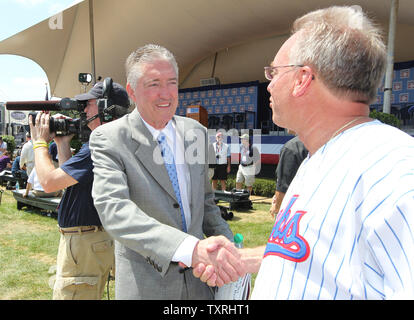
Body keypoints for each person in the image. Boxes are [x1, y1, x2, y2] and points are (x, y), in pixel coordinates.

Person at [194, 5, 414, 300]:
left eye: (274, 71)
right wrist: (247, 259)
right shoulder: (318, 156)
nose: (269, 84)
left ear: (302, 79)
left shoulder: (394, 171)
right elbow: (314, 253)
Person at [89, 44, 244, 300]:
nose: (166, 94)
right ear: (132, 91)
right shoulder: (109, 138)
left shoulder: (196, 133)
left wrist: (229, 247)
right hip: (147, 287)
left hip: (202, 286)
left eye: (172, 83)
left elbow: (205, 204)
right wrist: (190, 249)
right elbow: (114, 212)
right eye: (153, 84)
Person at [29, 80, 130, 300]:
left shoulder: (101, 143)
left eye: (89, 104)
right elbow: (71, 181)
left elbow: (48, 182)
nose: (83, 110)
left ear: (106, 108)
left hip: (85, 243)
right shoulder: (112, 140)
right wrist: (63, 143)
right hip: (91, 241)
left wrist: (39, 143)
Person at [269, 132, 308, 218]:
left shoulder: (291, 147)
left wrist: (276, 208)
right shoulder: (325, 142)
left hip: (295, 213)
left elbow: (283, 188)